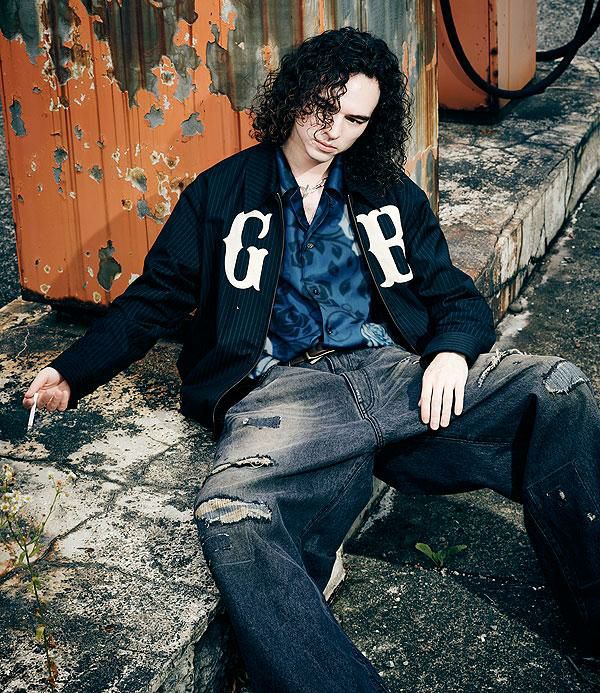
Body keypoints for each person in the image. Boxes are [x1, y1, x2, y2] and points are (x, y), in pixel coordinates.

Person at [23, 26, 600, 693]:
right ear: (295, 94)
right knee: (232, 516)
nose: (334, 130)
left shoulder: (388, 193)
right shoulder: (223, 193)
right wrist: (73, 371)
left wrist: (449, 352)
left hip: (391, 375)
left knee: (558, 387)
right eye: (324, 108)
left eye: (354, 119)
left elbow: (455, 296)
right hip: (285, 395)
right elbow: (152, 300)